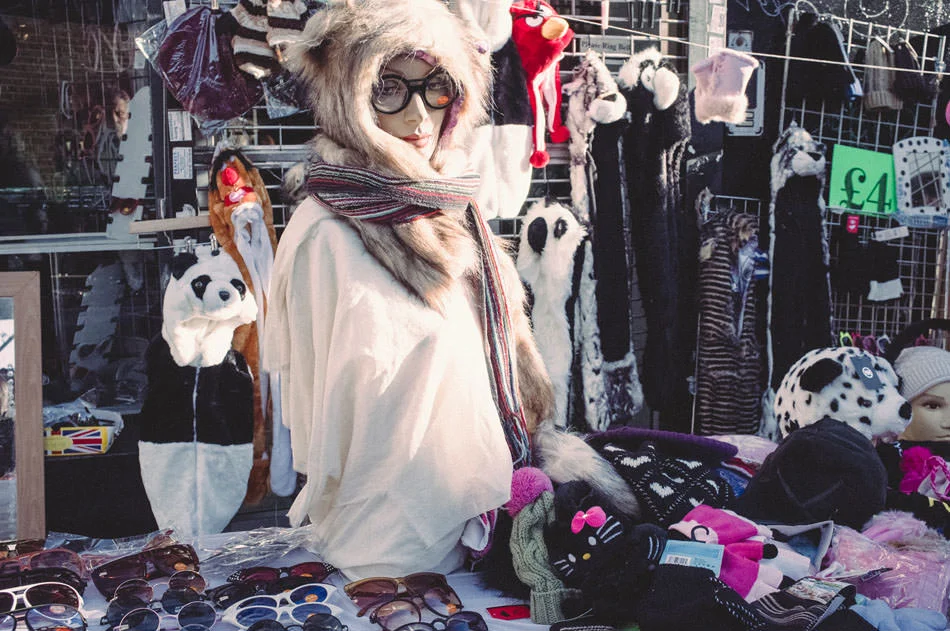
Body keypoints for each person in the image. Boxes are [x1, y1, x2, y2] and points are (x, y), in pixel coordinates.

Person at [263, 0, 555, 579]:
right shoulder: (327, 233)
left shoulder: (450, 207)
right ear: (350, 100)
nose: (419, 115)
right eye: (388, 89)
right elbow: (313, 403)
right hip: (379, 535)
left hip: (469, 522)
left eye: (437, 87)